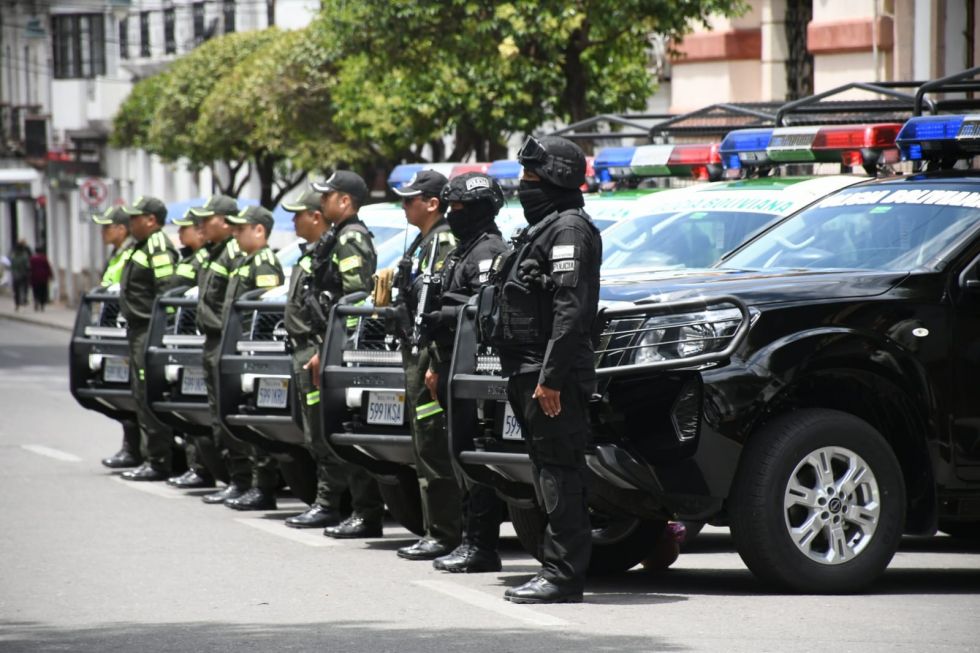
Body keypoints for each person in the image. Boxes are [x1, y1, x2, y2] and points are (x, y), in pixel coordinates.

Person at [491, 136, 602, 604]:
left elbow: (570, 310)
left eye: (531, 178)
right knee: (547, 471)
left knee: (560, 474)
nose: (523, 187)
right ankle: (554, 568)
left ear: (556, 179)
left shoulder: (570, 231)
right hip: (530, 369)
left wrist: (551, 377)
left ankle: (563, 575)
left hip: (548, 374)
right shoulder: (547, 227)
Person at [423, 172, 511, 574]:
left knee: (475, 456)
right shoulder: (463, 249)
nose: (450, 214)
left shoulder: (490, 251)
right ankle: (467, 540)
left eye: (457, 208)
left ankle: (481, 545)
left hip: (475, 365)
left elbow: (486, 308)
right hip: (449, 361)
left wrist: (447, 314)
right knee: (458, 453)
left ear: (477, 210)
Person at [305, 170, 386, 539]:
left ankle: (365, 513)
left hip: (344, 348)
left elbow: (354, 299)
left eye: (328, 195)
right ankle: (356, 509)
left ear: (345, 201)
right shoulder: (339, 235)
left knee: (348, 430)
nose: (321, 202)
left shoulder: (351, 237)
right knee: (337, 430)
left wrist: (334, 349)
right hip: (332, 342)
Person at [388, 170, 460, 560]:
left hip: (429, 357)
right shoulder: (423, 242)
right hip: (414, 354)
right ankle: (437, 530)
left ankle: (446, 533)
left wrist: (433, 363)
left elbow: (441, 307)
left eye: (409, 199)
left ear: (432, 203)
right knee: (423, 443)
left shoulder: (443, 241)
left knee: (433, 443)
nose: (404, 205)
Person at [280, 189, 351, 529]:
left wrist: (324, 350)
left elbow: (343, 301)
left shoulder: (331, 250)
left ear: (316, 217)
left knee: (322, 433)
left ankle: (329, 503)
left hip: (315, 349)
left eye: (299, 214)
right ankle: (326, 501)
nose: (294, 220)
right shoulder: (312, 253)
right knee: (310, 432)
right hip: (302, 349)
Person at [219, 205, 286, 510]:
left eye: (241, 228)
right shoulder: (246, 261)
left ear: (259, 230)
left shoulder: (265, 262)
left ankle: (264, 488)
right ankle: (248, 483)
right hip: (241, 347)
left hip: (257, 350)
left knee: (259, 420)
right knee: (244, 416)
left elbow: (266, 314)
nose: (235, 233)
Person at [118, 196, 182, 482]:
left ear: (151, 220)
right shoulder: (139, 246)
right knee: (139, 396)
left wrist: (159, 333)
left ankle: (157, 461)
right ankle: (150, 457)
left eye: (135, 217)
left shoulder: (157, 246)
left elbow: (165, 291)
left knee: (147, 397)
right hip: (137, 330)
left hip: (148, 330)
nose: (130, 223)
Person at [192, 194, 250, 504]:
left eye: (207, 219)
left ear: (225, 222)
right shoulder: (215, 252)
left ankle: (241, 479)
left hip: (224, 341)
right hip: (212, 340)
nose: (201, 225)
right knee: (217, 414)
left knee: (227, 414)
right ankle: (232, 478)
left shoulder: (233, 253)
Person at [165, 207, 216, 490]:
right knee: (188, 401)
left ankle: (201, 467)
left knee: (199, 405)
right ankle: (194, 465)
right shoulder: (191, 257)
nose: (180, 233)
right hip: (185, 334)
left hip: (197, 335)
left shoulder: (206, 257)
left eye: (185, 228)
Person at [91, 206, 141, 469]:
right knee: (123, 391)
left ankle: (135, 450)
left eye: (107, 227)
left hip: (126, 328)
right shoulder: (118, 253)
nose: (102, 232)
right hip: (115, 328)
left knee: (131, 392)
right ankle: (131, 448)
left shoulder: (130, 253)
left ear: (121, 229)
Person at [29, 246, 53, 311]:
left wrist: (29, 277)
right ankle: (42, 304)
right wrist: (51, 275)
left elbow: (29, 268)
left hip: (34, 278)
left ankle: (36, 300)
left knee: (36, 291)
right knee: (43, 291)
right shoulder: (44, 258)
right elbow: (48, 267)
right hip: (43, 278)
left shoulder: (32, 259)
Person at [10, 240, 30, 310]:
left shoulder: (13, 256)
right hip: (23, 274)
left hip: (15, 275)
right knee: (24, 288)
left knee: (16, 290)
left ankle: (17, 304)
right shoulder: (24, 256)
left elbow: (11, 266)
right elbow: (27, 265)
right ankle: (24, 299)